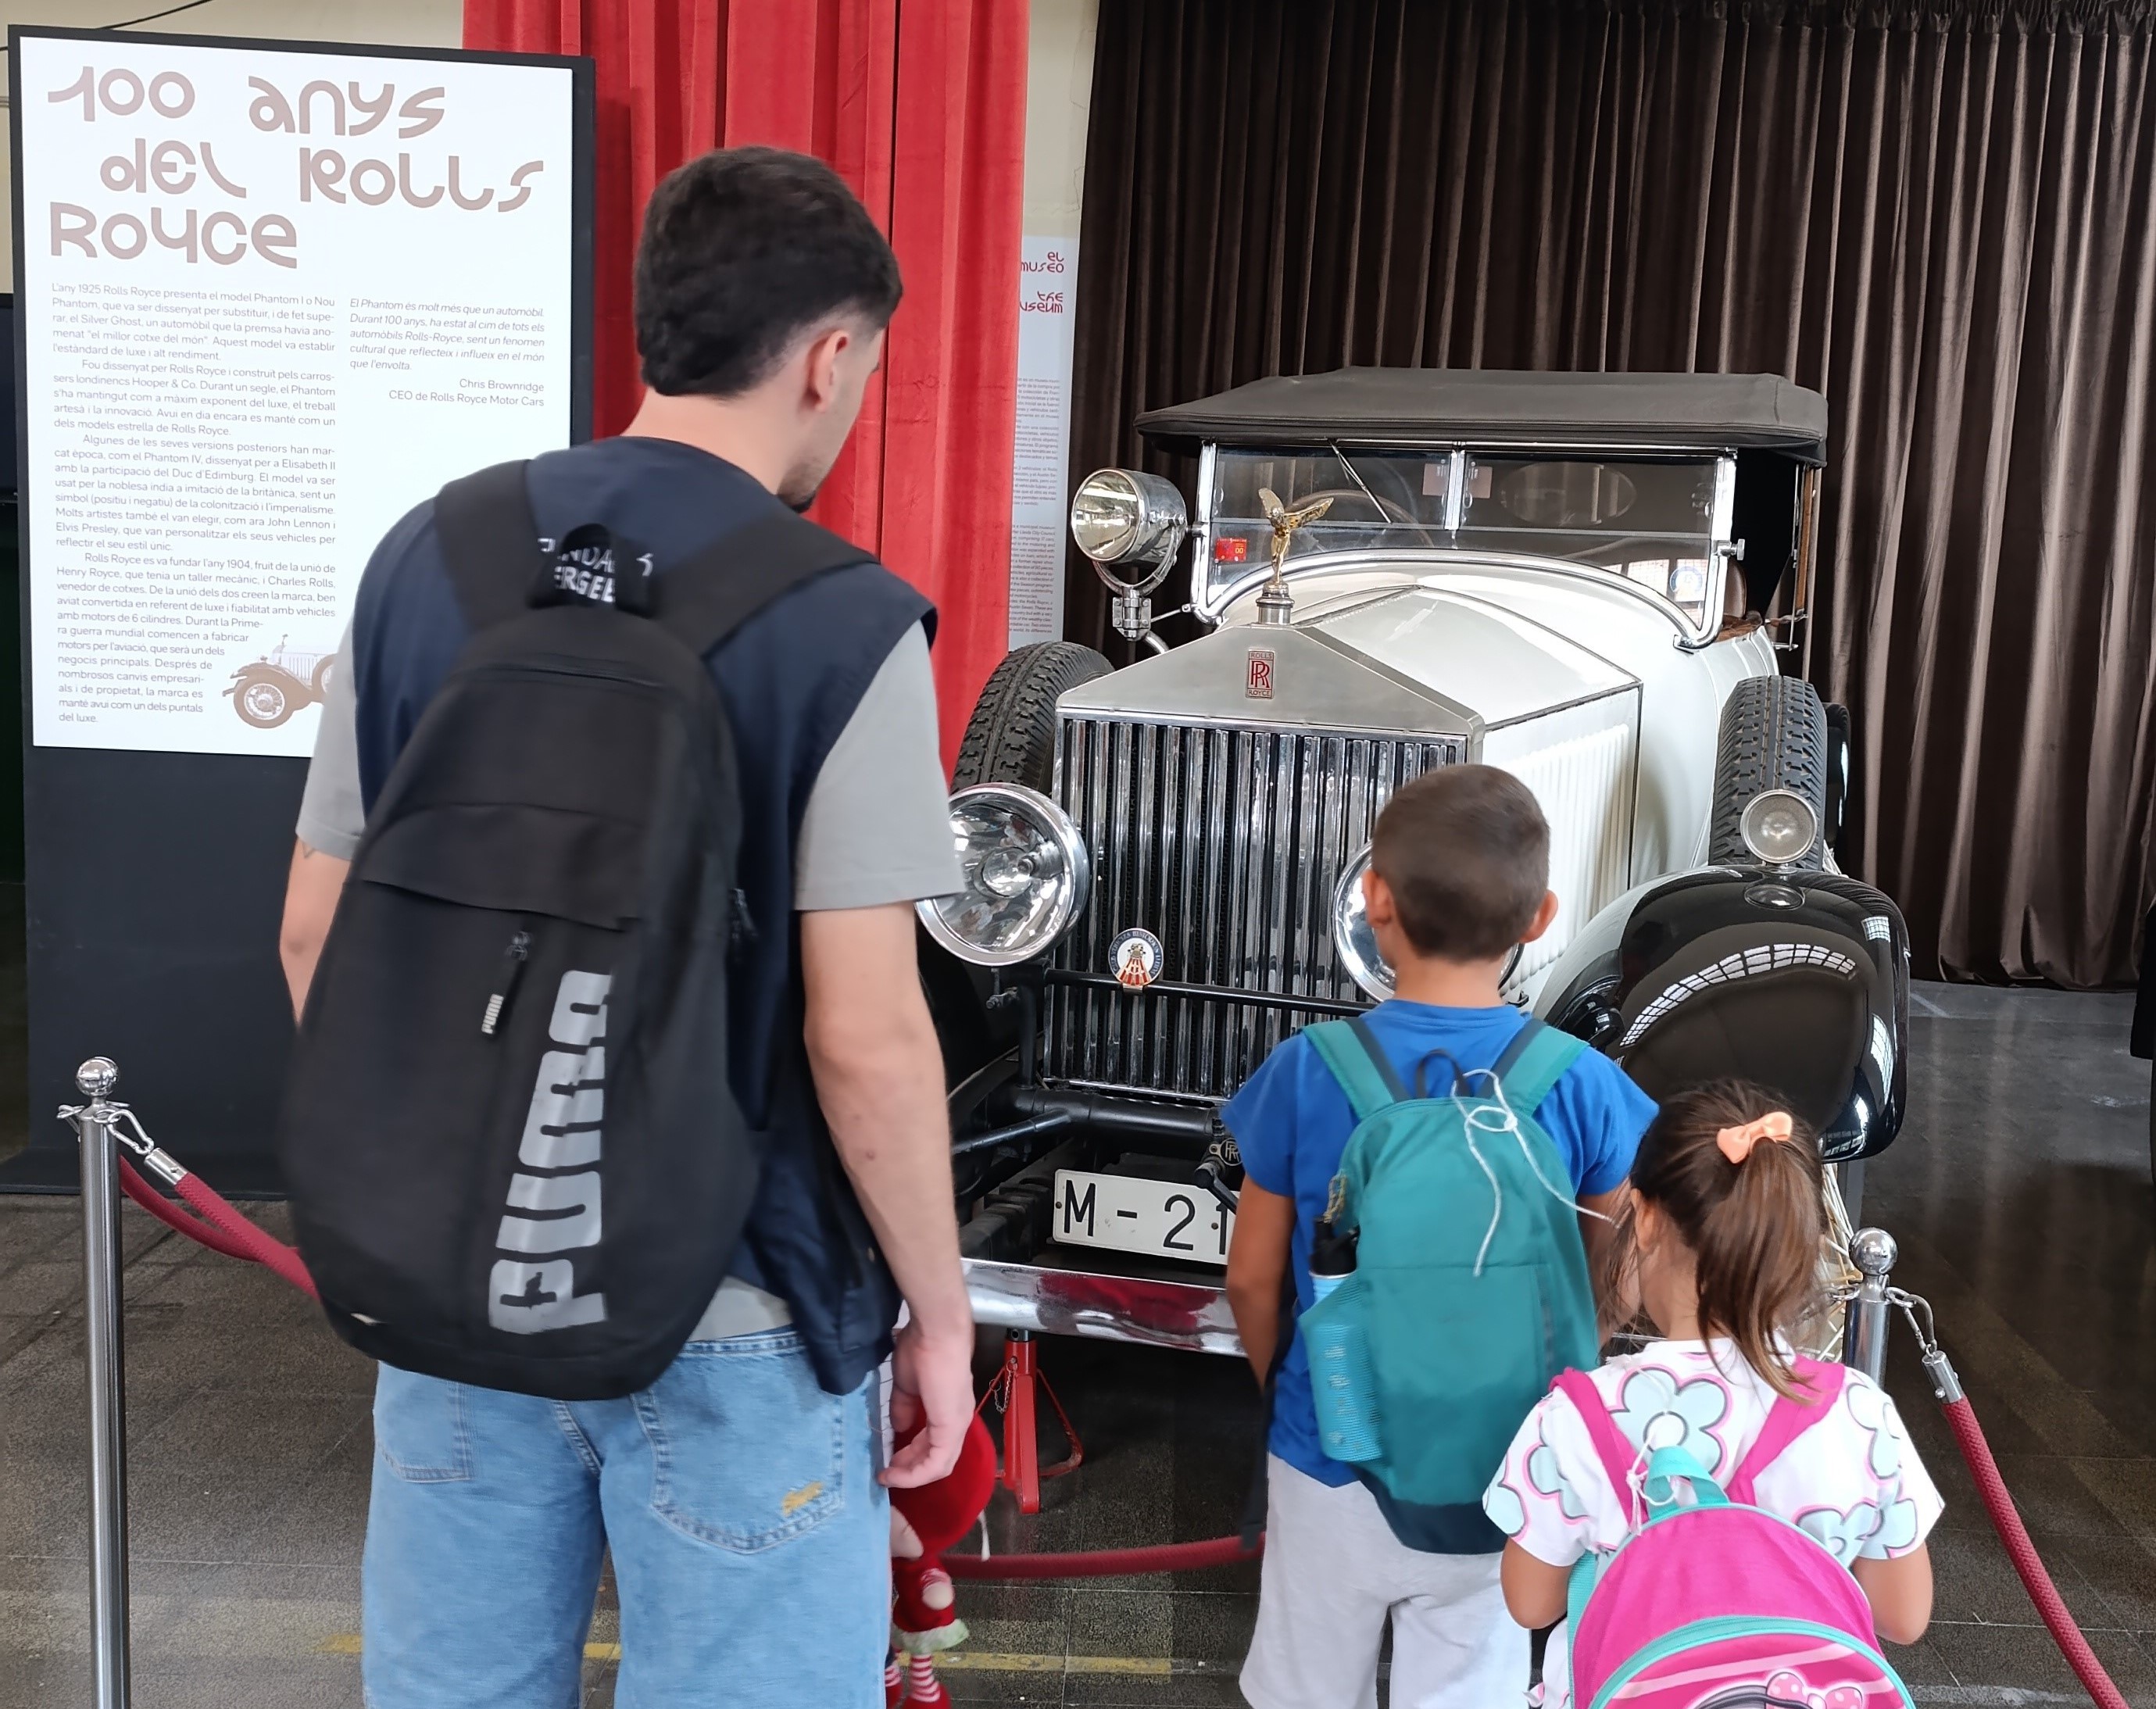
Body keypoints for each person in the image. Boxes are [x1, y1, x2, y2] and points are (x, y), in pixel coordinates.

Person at [277, 146, 973, 1709]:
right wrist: (937, 1315)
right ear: (829, 355)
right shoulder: (841, 621)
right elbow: (858, 1038)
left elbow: (315, 932)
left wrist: (435, 1173)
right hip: (732, 1306)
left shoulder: (424, 560)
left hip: (457, 1292)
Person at [1222, 764, 1657, 1709]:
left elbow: (1252, 1278)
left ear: (1372, 902)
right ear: (1540, 917)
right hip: (1508, 1463)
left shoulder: (1307, 1072)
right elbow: (1617, 1272)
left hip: (1329, 1447)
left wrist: (1289, 1388)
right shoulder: (1578, 1082)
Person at [1484, 1082, 1940, 1693]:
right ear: (1799, 1240)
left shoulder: (1577, 1416)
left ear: (1643, 1218)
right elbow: (1903, 1617)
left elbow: (1530, 1602)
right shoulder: (1858, 1412)